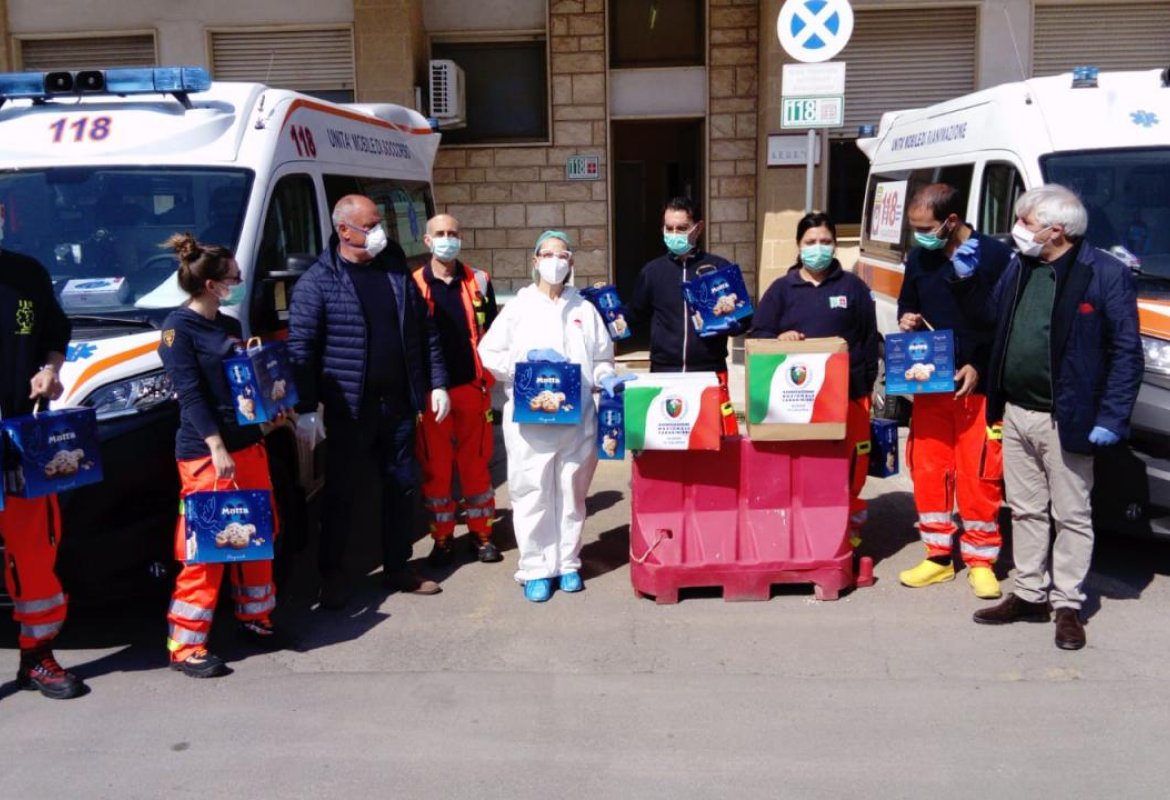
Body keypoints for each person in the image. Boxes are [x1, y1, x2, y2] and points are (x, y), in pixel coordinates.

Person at [953, 185, 1143, 650]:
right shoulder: (1023, 266)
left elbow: (1125, 353)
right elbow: (989, 319)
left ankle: (1067, 605)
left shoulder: (1105, 274)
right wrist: (966, 278)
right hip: (1017, 410)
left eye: (1027, 222)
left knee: (1072, 515)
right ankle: (1029, 593)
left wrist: (1111, 417)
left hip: (1068, 417)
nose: (1019, 230)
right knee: (1026, 509)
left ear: (1056, 231)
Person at [288, 195, 449, 609]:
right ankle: (334, 577)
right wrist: (307, 408)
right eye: (370, 224)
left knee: (401, 488)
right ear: (344, 231)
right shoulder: (317, 282)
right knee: (342, 496)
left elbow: (424, 331)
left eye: (380, 223)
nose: (380, 231)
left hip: (397, 405)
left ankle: (399, 567)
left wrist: (437, 383)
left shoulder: (393, 268)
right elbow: (302, 350)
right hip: (349, 411)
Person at [157, 234, 283, 678]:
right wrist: (216, 446)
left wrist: (269, 409)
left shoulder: (228, 326)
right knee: (207, 547)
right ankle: (186, 644)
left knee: (255, 536)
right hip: (208, 454)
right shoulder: (177, 332)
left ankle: (256, 617)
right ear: (212, 284)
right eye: (234, 277)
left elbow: (242, 383)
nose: (240, 282)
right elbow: (190, 396)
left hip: (248, 444)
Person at [477, 231, 621, 602]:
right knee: (532, 492)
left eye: (562, 254)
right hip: (531, 422)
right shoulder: (520, 307)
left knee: (572, 493)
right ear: (535, 261)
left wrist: (607, 379)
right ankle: (536, 567)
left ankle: (567, 563)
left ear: (571, 263)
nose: (555, 261)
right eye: (547, 254)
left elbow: (603, 356)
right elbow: (489, 352)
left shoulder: (584, 309)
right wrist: (526, 367)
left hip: (578, 420)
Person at [895, 184, 1014, 599]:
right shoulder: (920, 259)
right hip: (930, 383)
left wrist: (979, 366)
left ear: (951, 221)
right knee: (929, 468)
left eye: (925, 228)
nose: (919, 236)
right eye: (914, 229)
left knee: (978, 471)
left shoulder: (995, 257)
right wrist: (906, 318)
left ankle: (981, 560)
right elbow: (907, 302)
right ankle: (938, 556)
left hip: (976, 387)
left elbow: (1003, 324)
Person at [750, 212, 879, 547]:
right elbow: (760, 333)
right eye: (810, 242)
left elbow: (867, 339)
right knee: (804, 466)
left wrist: (862, 390)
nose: (818, 248)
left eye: (825, 241)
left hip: (847, 397)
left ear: (834, 244)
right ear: (798, 246)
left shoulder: (853, 288)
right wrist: (781, 338)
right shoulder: (781, 290)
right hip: (797, 402)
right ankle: (797, 532)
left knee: (849, 467)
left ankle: (846, 534)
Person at [0, 246, 87, 699]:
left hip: (20, 443)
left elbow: (55, 334)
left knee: (35, 555)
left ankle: (37, 658)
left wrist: (48, 372)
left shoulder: (26, 273)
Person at [412, 213, 502, 566]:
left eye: (453, 232)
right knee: (436, 468)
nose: (447, 238)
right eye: (440, 233)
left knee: (476, 465)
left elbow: (494, 333)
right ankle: (443, 539)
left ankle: (482, 534)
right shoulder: (413, 284)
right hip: (432, 394)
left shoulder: (479, 280)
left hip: (471, 387)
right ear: (427, 241)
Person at [628, 196, 740, 436]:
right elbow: (634, 314)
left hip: (709, 373)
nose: (675, 234)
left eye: (682, 228)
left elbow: (744, 319)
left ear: (697, 229)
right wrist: (601, 313)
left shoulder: (718, 268)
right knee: (668, 447)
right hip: (665, 374)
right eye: (669, 228)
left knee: (710, 445)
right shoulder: (652, 272)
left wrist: (734, 322)